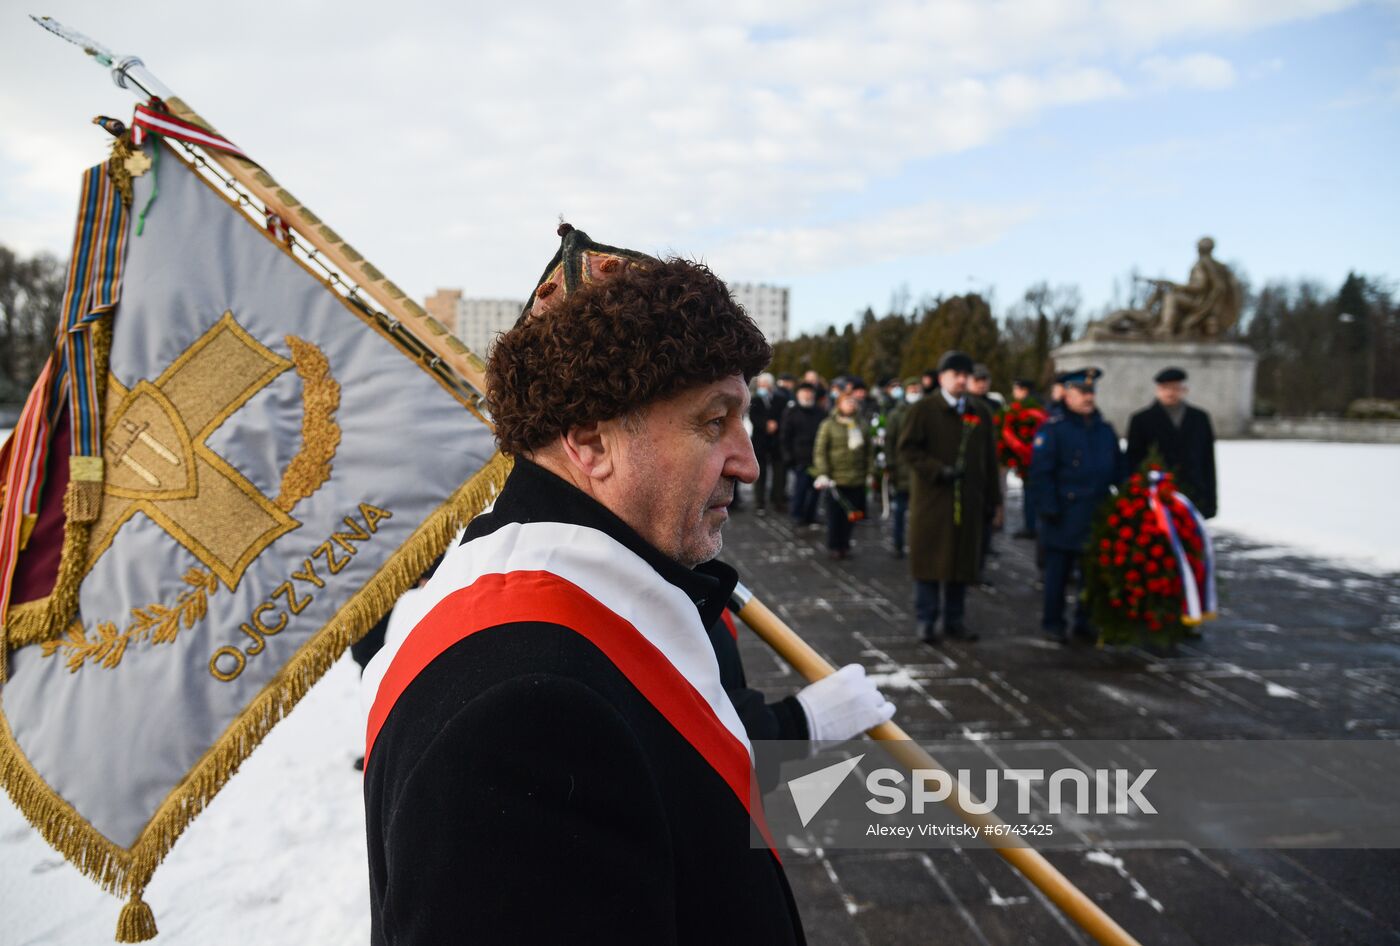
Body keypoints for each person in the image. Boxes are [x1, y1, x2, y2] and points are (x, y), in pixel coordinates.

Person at [363, 225, 896, 945]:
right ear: (587, 440)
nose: (749, 463)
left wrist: (790, 726)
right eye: (714, 421)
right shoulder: (525, 718)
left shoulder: (591, 596)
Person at [897, 350, 999, 644]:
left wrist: (994, 499)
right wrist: (937, 470)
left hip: (968, 500)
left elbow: (989, 459)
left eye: (965, 376)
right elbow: (908, 449)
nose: (961, 381)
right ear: (942, 377)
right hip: (933, 500)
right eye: (956, 375)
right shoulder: (924, 409)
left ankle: (954, 620)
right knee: (930, 562)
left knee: (961, 562)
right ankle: (926, 620)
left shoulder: (979, 412)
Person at [1028, 368, 1126, 644]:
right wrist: (1049, 508)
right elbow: (1040, 473)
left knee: (1092, 575)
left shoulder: (1104, 430)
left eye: (1091, 392)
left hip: (1096, 512)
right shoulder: (1054, 429)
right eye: (1081, 392)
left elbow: (1119, 467)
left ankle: (1085, 621)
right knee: (1057, 576)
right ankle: (1053, 622)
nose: (1088, 398)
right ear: (1067, 394)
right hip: (1064, 514)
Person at [1125, 367, 1218, 519]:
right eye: (1165, 388)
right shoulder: (1141, 420)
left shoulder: (1200, 418)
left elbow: (1208, 461)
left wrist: (1211, 502)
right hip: (1156, 498)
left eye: (1175, 388)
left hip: (1193, 496)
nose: (1170, 393)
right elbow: (1133, 461)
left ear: (1184, 390)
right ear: (1157, 390)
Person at [812, 390, 872, 560]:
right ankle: (834, 545)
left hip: (856, 478)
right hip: (835, 479)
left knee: (852, 515)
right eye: (847, 402)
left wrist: (870, 472)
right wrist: (823, 472)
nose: (851, 405)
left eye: (853, 402)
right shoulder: (829, 425)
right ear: (839, 405)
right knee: (834, 515)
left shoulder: (861, 424)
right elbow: (820, 451)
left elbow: (869, 452)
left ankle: (845, 543)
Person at [967, 364, 1006, 584]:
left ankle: (979, 564)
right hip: (971, 469)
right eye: (977, 379)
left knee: (987, 517)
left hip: (991, 465)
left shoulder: (994, 405)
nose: (981, 384)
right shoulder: (965, 405)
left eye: (985, 380)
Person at [884, 377, 922, 558]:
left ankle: (919, 543)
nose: (914, 391)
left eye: (917, 388)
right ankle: (898, 543)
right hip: (901, 468)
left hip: (921, 469)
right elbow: (890, 441)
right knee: (900, 509)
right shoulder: (896, 414)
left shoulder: (926, 411)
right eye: (911, 388)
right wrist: (890, 465)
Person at [781, 381, 825, 528]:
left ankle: (811, 515)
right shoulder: (791, 412)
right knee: (800, 488)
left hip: (817, 458)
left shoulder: (820, 412)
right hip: (799, 458)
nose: (807, 395)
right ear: (798, 394)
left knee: (816, 490)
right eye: (804, 392)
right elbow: (785, 436)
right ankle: (797, 514)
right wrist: (788, 455)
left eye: (810, 392)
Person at [748, 372, 784, 514]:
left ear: (770, 386)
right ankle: (760, 503)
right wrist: (766, 425)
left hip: (777, 442)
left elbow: (784, 416)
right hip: (760, 441)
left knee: (779, 473)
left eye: (765, 385)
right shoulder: (754, 399)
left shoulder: (780, 400)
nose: (762, 387)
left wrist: (776, 424)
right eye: (761, 384)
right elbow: (753, 417)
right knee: (761, 473)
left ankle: (778, 500)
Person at [1009, 378, 1041, 540]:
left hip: (1030, 456)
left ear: (1023, 390)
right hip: (1036, 456)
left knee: (1030, 493)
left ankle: (1031, 526)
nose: (1014, 394)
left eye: (1015, 390)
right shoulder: (1039, 402)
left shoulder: (1027, 407)